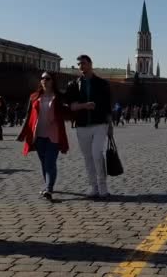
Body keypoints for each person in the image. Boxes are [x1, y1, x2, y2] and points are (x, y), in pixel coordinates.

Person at [65, 55, 113, 198]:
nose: (81, 67)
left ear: (91, 64)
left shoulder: (102, 84)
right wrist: (85, 106)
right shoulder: (73, 85)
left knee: (97, 154)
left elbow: (108, 107)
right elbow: (72, 107)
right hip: (82, 125)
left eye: (84, 63)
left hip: (100, 124)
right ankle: (94, 187)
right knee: (88, 157)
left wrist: (110, 126)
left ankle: (103, 187)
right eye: (79, 64)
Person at [17, 72, 69, 201]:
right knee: (44, 164)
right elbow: (28, 116)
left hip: (54, 135)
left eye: (47, 78)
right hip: (39, 135)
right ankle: (47, 186)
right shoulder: (34, 97)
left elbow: (67, 111)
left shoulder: (59, 97)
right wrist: (23, 133)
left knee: (50, 163)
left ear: (52, 81)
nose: (44, 80)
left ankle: (49, 189)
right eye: (42, 78)